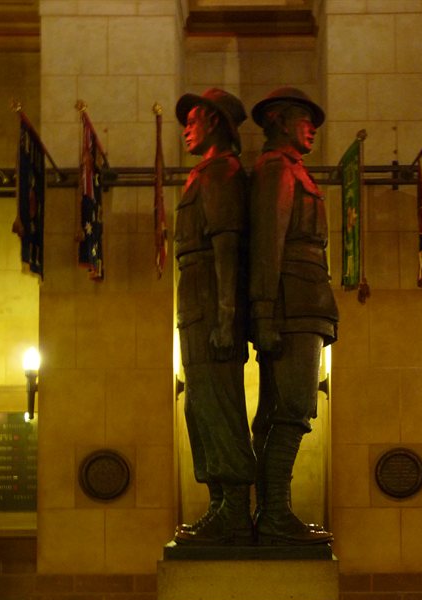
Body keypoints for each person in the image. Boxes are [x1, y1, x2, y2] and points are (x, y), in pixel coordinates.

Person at [249, 87, 339, 546]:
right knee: (292, 409)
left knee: (282, 410)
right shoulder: (275, 170)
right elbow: (267, 242)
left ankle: (270, 511)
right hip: (292, 306)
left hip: (305, 304)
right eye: (305, 118)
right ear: (280, 120)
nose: (313, 128)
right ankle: (274, 513)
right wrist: (263, 313)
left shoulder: (292, 171)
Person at [172, 88, 255, 546]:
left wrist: (227, 318)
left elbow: (226, 248)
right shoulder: (202, 174)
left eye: (195, 118)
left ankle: (236, 510)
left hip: (211, 305)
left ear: (218, 124)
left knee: (220, 404)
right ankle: (220, 503)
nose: (186, 126)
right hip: (195, 303)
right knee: (198, 403)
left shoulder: (223, 172)